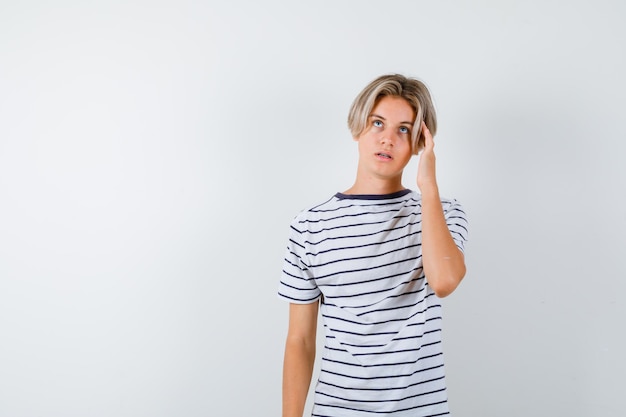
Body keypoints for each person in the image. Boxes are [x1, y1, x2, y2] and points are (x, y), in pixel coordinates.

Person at [278, 74, 468, 417]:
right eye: (377, 123)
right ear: (358, 127)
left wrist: (428, 186)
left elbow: (444, 281)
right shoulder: (310, 226)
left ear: (420, 142)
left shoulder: (442, 213)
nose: (388, 139)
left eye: (404, 129)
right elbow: (300, 341)